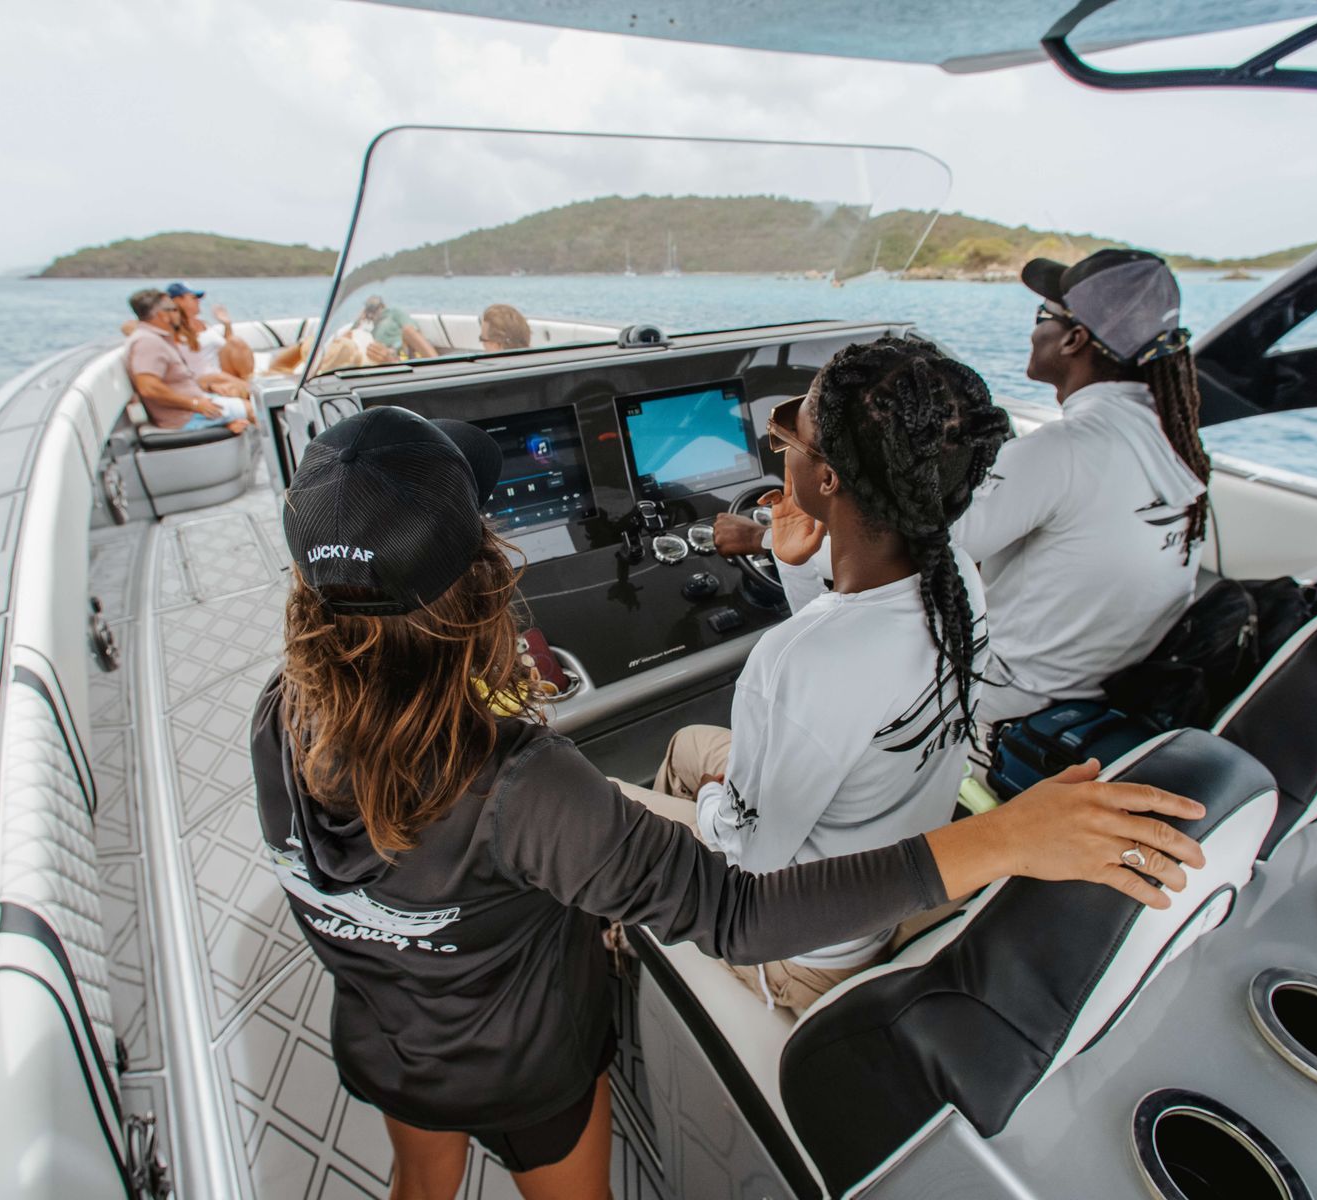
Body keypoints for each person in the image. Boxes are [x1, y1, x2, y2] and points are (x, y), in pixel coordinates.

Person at [251, 404, 1206, 1199]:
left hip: (384, 1032)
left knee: (419, 1182)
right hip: (522, 1062)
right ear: (481, 580)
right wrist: (1000, 837)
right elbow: (741, 913)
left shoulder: (275, 712)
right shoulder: (522, 786)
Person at [621, 335, 1011, 1013]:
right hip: (880, 882)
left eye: (789, 437)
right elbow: (847, 664)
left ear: (827, 478)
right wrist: (796, 563)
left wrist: (719, 798)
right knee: (689, 743)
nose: (782, 450)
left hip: (802, 950)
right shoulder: (961, 585)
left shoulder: (797, 664)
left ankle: (628, 951)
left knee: (605, 813)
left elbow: (749, 869)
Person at [715, 250, 1211, 732]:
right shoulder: (1174, 439)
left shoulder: (1066, 451)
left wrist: (766, 541)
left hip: (1001, 707)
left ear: (1073, 339)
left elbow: (908, 552)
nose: (1034, 327)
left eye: (1044, 315)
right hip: (1097, 693)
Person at [123, 288, 251, 433]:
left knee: (246, 402)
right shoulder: (147, 342)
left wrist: (208, 389)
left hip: (194, 406)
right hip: (185, 417)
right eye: (174, 309)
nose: (179, 313)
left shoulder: (156, 338)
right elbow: (148, 388)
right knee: (254, 409)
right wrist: (195, 404)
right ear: (162, 315)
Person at [348, 294, 438, 362]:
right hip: (386, 358)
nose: (373, 313)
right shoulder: (372, 331)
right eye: (370, 310)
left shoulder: (393, 313)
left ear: (382, 306)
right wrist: (359, 319)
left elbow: (412, 331)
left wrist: (395, 348)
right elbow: (348, 336)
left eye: (374, 309)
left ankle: (436, 363)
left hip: (404, 350)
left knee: (408, 330)